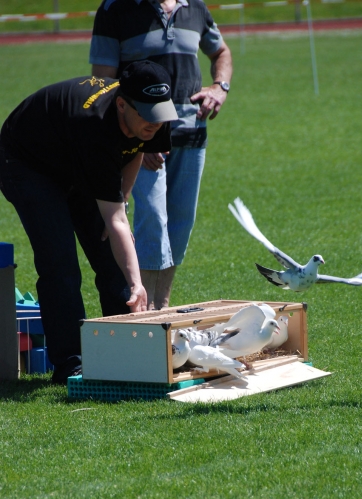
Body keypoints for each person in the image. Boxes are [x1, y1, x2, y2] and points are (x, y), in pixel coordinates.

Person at [0, 60, 178, 384]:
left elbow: (137, 150)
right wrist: (138, 284)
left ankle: (125, 351)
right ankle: (72, 364)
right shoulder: (95, 125)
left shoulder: (153, 115)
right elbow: (116, 220)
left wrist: (122, 197)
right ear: (123, 104)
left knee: (111, 256)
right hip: (26, 163)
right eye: (148, 116)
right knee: (61, 262)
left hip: (74, 159)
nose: (156, 123)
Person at [89, 0, 233, 310]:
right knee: (152, 220)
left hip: (192, 134)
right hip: (140, 136)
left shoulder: (195, 7)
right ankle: (144, 308)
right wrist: (143, 138)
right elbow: (102, 83)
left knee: (180, 223)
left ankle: (162, 306)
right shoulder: (115, 10)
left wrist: (220, 87)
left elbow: (221, 52)